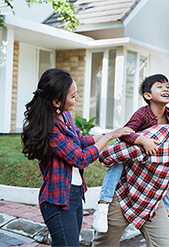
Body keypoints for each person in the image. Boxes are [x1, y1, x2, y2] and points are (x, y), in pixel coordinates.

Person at [21, 68, 133, 247]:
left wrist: (111, 134)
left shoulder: (65, 116)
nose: (78, 98)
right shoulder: (51, 129)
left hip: (74, 194)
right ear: (57, 101)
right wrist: (108, 137)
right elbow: (80, 158)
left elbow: (81, 141)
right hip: (58, 200)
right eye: (73, 96)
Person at [92, 74, 169, 242]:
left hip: (152, 200)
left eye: (168, 86)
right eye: (159, 87)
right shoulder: (145, 118)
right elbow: (124, 135)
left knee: (167, 184)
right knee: (104, 244)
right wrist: (142, 141)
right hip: (125, 192)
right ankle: (103, 205)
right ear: (148, 95)